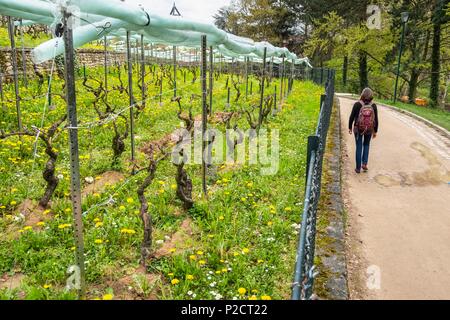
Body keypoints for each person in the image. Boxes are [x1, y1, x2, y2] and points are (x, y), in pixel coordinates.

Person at [348, 88, 379, 174]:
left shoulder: (357, 104)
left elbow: (351, 117)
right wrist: (375, 131)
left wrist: (350, 127)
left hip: (358, 129)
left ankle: (358, 168)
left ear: (362, 94)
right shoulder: (373, 106)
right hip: (369, 129)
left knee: (359, 146)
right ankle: (364, 163)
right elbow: (376, 119)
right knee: (366, 144)